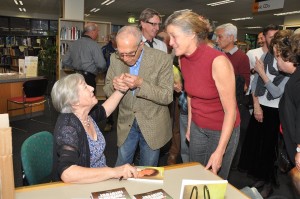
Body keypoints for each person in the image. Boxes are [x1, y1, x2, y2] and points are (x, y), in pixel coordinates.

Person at [165, 10, 240, 179]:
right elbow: (191, 95)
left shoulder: (218, 62)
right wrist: (191, 125)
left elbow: (231, 111)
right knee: (196, 175)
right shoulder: (182, 59)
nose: (170, 42)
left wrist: (220, 151)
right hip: (198, 126)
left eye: (174, 36)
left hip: (222, 129)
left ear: (191, 34)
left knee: (214, 181)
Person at [103, 26, 173, 167]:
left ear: (141, 44)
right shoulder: (114, 58)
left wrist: (141, 83)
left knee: (148, 170)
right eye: (121, 54)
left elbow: (167, 96)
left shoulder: (162, 59)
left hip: (152, 122)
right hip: (126, 121)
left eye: (130, 54)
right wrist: (114, 86)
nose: (126, 59)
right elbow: (107, 89)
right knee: (121, 166)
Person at [51, 73, 138, 183]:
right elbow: (67, 173)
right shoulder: (68, 127)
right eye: (85, 87)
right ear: (74, 102)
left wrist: (121, 90)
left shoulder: (84, 115)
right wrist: (114, 172)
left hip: (100, 178)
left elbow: (105, 110)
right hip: (85, 185)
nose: (92, 88)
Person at [238, 25, 289, 198]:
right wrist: (257, 105)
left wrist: (261, 72)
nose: (275, 47)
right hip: (260, 107)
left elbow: (276, 92)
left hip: (276, 112)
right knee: (256, 148)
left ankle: (269, 183)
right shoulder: (266, 57)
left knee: (269, 150)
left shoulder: (289, 62)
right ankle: (259, 177)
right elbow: (254, 84)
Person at [215, 23, 250, 170]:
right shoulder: (217, 55)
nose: (217, 40)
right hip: (216, 107)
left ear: (231, 38)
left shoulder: (241, 58)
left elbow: (245, 86)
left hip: (231, 107)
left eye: (220, 36)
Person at [276, 31, 300, 169]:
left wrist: (299, 150)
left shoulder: (297, 81)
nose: (276, 60)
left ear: (288, 58)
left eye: (278, 56)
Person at [62, 22, 106, 92]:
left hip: (76, 76)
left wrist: (75, 67)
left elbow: (65, 61)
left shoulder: (73, 44)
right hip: (89, 78)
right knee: (89, 100)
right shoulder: (94, 45)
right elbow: (101, 64)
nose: (97, 34)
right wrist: (99, 71)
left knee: (77, 99)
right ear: (92, 32)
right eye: (97, 31)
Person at [102, 32, 118, 132]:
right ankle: (109, 122)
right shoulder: (105, 49)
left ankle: (123, 123)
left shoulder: (124, 47)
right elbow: (102, 63)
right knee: (109, 100)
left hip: (123, 77)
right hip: (110, 78)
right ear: (112, 40)